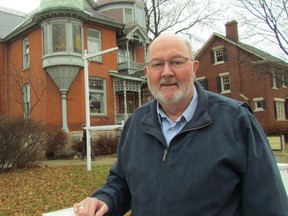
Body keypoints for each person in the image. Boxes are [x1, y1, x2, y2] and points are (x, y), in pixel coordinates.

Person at [73, 33, 288, 216]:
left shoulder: (236, 121)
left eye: (176, 62)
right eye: (157, 64)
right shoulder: (136, 124)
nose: (166, 72)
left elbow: (268, 204)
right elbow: (121, 181)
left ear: (194, 68)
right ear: (148, 73)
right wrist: (105, 199)